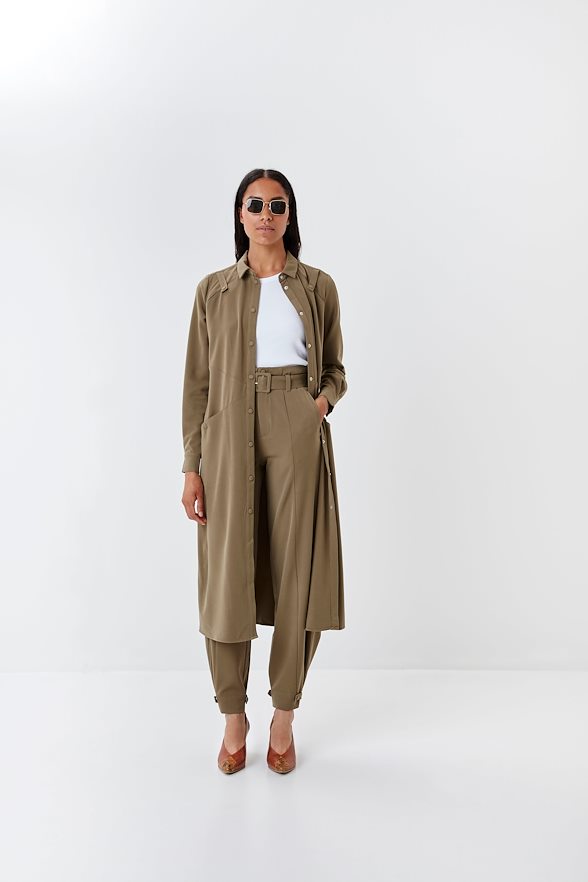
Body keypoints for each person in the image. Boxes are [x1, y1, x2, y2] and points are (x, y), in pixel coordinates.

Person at [181, 168, 347, 774]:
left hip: (295, 425)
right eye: (255, 204)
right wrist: (192, 465)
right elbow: (197, 385)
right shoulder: (213, 290)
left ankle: (283, 714)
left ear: (289, 215)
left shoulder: (318, 286)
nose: (266, 214)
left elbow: (335, 370)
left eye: (277, 205)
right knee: (227, 575)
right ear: (240, 215)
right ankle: (233, 715)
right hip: (228, 433)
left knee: (298, 570)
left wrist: (317, 406)